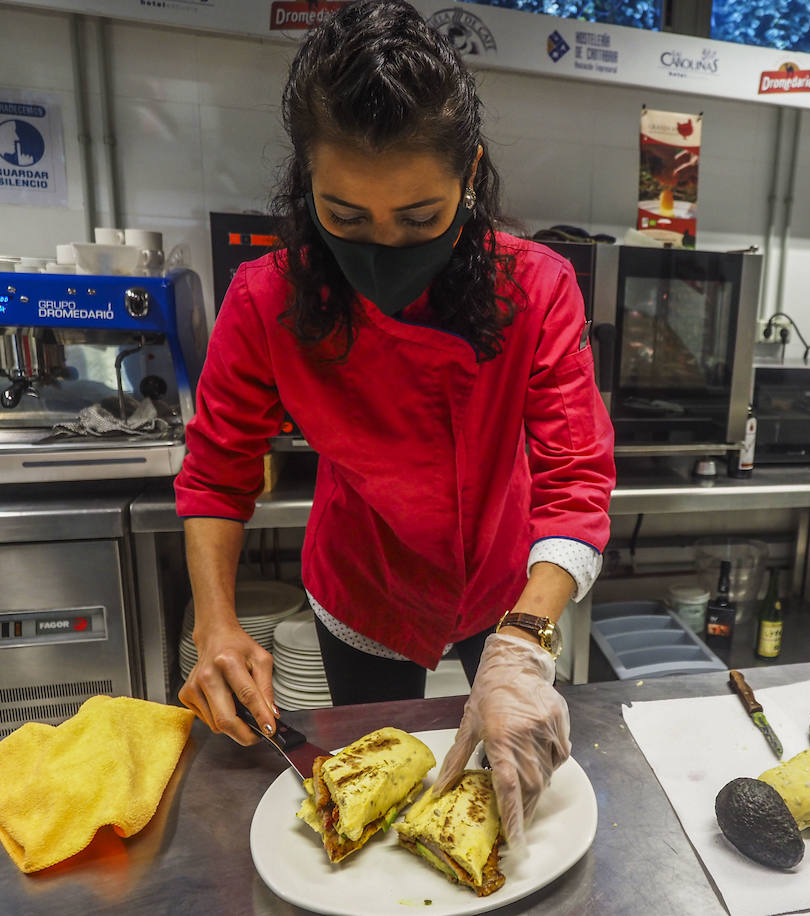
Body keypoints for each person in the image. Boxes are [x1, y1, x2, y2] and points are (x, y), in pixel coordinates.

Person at [173, 0, 615, 849]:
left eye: (419, 219)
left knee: (502, 782)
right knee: (375, 776)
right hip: (364, 587)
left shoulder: (538, 287)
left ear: (471, 176)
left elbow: (575, 481)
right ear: (307, 185)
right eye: (345, 218)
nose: (383, 247)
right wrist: (216, 624)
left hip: (505, 584)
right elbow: (218, 468)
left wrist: (524, 642)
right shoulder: (268, 299)